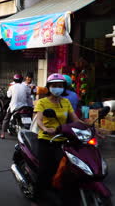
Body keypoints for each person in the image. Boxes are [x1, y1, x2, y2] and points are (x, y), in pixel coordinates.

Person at [33, 73, 84, 204]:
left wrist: (89, 126)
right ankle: (37, 196)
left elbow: (75, 120)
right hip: (46, 139)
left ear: (64, 87)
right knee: (45, 169)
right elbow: (39, 120)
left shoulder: (66, 102)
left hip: (63, 139)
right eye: (54, 85)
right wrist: (45, 129)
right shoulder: (42, 102)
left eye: (60, 86)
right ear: (49, 87)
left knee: (67, 169)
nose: (57, 88)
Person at [0, 74, 32, 139]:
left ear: (14, 80)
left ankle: (2, 134)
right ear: (21, 80)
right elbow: (29, 93)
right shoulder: (25, 86)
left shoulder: (12, 87)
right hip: (24, 106)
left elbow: (8, 96)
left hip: (14, 106)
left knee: (6, 118)